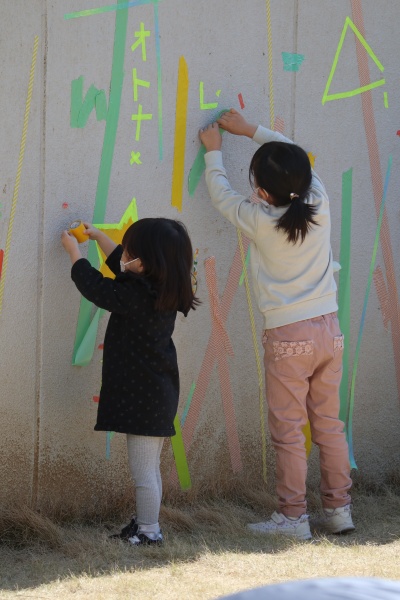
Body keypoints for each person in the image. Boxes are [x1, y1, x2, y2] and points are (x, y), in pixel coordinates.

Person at [199, 109, 354, 541]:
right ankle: (339, 510)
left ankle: (292, 517)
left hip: (288, 336)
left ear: (263, 192)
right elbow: (297, 156)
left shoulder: (260, 220)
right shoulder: (318, 199)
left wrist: (214, 153)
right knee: (328, 425)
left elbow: (221, 196)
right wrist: (251, 131)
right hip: (329, 330)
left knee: (288, 432)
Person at [61, 218, 199, 545]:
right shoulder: (160, 287)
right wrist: (97, 237)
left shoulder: (136, 294)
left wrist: (74, 252)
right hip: (155, 392)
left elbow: (98, 288)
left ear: (147, 262)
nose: (125, 254)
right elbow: (120, 265)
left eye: (131, 251)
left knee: (143, 473)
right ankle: (145, 525)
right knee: (148, 470)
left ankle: (149, 531)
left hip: (145, 397)